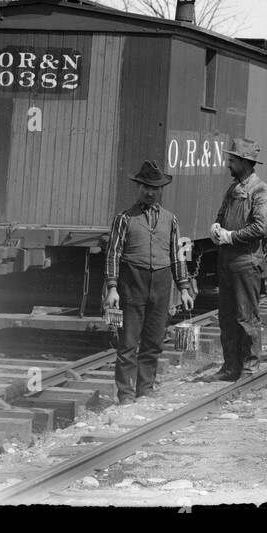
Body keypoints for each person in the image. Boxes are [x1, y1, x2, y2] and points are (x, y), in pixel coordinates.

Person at [105, 160, 195, 405]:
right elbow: (113, 253)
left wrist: (184, 288)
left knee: (153, 341)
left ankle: (145, 389)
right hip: (132, 283)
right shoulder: (124, 218)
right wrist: (112, 287)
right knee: (128, 342)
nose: (149, 192)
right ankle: (125, 394)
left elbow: (178, 256)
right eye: (145, 186)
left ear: (161, 190)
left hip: (161, 285)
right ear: (138, 187)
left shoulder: (171, 220)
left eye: (154, 188)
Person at [207, 137, 267, 380]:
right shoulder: (233, 189)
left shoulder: (261, 191)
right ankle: (230, 367)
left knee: (246, 318)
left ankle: (249, 369)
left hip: (246, 263)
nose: (228, 164)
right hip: (227, 263)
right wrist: (217, 227)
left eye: (232, 160)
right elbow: (222, 215)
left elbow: (261, 228)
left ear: (245, 163)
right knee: (226, 318)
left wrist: (231, 236)